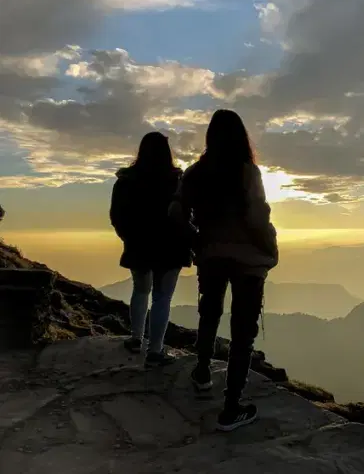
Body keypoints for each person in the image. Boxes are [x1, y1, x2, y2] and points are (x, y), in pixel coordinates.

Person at [169, 109, 278, 432]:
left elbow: (175, 212)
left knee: (210, 314)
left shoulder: (195, 173)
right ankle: (232, 408)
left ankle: (202, 372)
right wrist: (270, 248)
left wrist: (197, 241)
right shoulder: (248, 172)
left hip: (211, 257)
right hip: (248, 262)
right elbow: (258, 217)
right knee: (242, 333)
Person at [110, 132, 192, 368]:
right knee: (162, 297)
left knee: (140, 290)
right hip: (171, 247)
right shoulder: (177, 180)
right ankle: (155, 351)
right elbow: (187, 213)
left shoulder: (126, 180)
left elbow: (117, 216)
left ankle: (136, 338)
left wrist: (129, 238)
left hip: (139, 245)